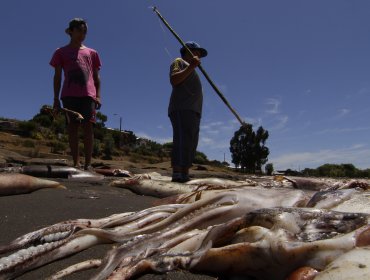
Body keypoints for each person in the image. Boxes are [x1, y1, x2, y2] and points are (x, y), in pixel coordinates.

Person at [50, 18, 102, 170]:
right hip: (69, 95)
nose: (82, 34)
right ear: (71, 31)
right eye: (79, 30)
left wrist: (98, 95)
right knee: (72, 127)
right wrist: (55, 98)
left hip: (88, 95)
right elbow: (57, 76)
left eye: (85, 31)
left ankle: (88, 163)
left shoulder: (92, 53)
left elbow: (96, 77)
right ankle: (76, 162)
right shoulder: (60, 52)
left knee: (88, 128)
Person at [168, 41, 208, 182]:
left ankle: (185, 173)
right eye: (196, 52)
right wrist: (192, 66)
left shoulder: (192, 69)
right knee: (182, 140)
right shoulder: (179, 62)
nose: (199, 56)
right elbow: (174, 79)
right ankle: (177, 173)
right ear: (188, 51)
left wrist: (193, 67)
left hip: (193, 111)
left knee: (191, 143)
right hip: (182, 108)